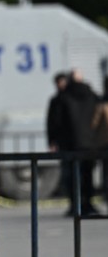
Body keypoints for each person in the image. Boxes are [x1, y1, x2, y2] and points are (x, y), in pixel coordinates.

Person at [49, 68, 101, 216]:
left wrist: (54, 140)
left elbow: (56, 122)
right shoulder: (91, 95)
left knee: (72, 177)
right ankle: (89, 204)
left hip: (70, 144)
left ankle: (75, 205)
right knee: (87, 175)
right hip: (90, 143)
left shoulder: (62, 97)